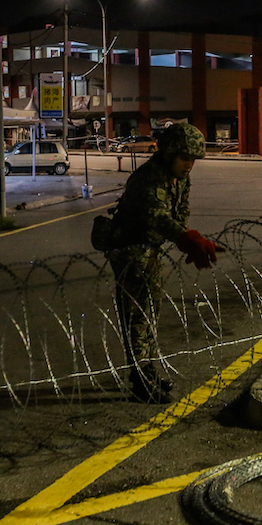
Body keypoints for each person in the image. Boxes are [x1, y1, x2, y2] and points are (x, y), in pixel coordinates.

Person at [106, 123, 224, 404]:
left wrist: (183, 234)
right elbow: (156, 216)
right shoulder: (149, 178)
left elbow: (181, 210)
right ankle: (139, 379)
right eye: (185, 158)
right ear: (169, 154)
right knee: (137, 315)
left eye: (193, 160)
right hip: (130, 250)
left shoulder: (179, 177)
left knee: (150, 312)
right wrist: (187, 239)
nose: (189, 165)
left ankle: (147, 368)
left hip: (152, 250)